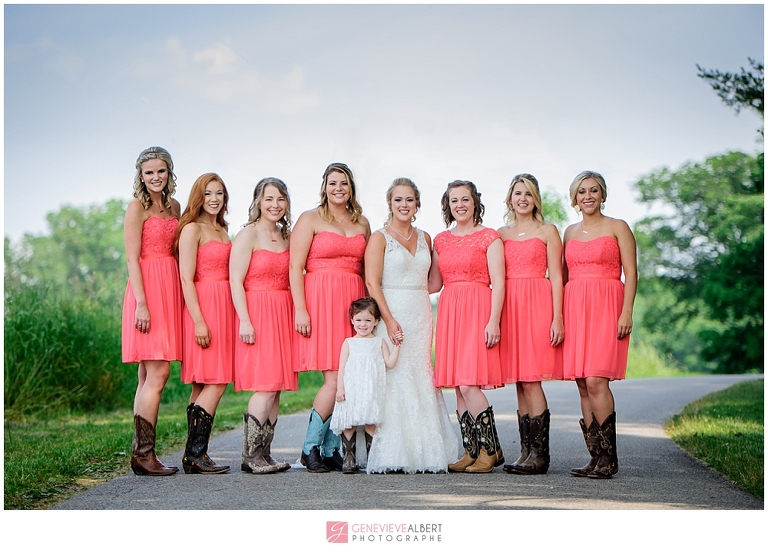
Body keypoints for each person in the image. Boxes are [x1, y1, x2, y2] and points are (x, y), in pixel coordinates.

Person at [364, 178, 460, 474]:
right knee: (394, 373)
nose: (404, 205)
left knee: (419, 371)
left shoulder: (426, 238)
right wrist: (390, 319)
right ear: (389, 204)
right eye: (398, 200)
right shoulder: (380, 238)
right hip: (391, 310)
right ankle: (393, 450)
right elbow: (371, 282)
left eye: (409, 200)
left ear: (417, 204)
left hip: (420, 312)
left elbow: (433, 281)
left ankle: (425, 449)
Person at [290, 162, 371, 472]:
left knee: (348, 378)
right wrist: (301, 309)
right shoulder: (310, 219)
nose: (339, 188)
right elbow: (295, 267)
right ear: (324, 186)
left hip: (352, 306)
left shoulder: (361, 222)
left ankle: (331, 448)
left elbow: (366, 268)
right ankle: (309, 448)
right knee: (334, 378)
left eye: (344, 183)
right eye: (333, 182)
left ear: (351, 188)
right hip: (320, 300)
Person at [562, 170, 637, 479]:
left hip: (608, 305)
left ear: (603, 195)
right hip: (575, 307)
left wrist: (626, 312)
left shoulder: (618, 227)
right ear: (575, 198)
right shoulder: (569, 232)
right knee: (582, 382)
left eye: (594, 190)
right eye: (582, 191)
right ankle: (595, 456)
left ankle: (609, 457)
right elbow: (564, 277)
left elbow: (631, 273)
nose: (588, 196)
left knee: (596, 379)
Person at [428, 180, 506, 473]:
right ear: (447, 206)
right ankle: (470, 451)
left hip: (478, 308)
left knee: (468, 383)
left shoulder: (489, 237)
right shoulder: (441, 240)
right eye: (453, 200)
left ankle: (491, 448)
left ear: (475, 203)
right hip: (450, 310)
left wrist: (493, 320)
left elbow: (498, 282)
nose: (459, 205)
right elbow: (435, 283)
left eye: (465, 199)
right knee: (458, 388)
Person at [497, 173, 564, 475]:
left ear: (535, 198)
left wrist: (557, 317)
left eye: (528, 193)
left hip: (537, 303)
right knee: (519, 379)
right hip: (510, 305)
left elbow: (558, 276)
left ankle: (540, 455)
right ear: (510, 198)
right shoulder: (501, 234)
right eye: (517, 193)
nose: (522, 198)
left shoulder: (548, 231)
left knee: (533, 377)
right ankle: (526, 452)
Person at [230, 178, 298, 474]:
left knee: (277, 388)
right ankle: (249, 456)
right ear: (258, 201)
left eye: (281, 199)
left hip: (282, 312)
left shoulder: (286, 236)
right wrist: (244, 319)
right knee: (266, 384)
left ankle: (265, 454)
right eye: (269, 199)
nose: (275, 205)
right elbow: (235, 280)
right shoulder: (248, 235)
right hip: (257, 312)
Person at [122, 146, 183, 476]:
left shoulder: (174, 206)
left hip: (169, 287)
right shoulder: (137, 208)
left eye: (161, 171)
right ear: (140, 176)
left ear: (169, 172)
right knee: (158, 373)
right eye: (149, 173)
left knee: (147, 374)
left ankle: (140, 454)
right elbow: (132, 258)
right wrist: (142, 304)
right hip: (147, 291)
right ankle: (145, 454)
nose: (155, 177)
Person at [175, 172, 234, 474]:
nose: (214, 199)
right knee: (217, 379)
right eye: (208, 193)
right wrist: (198, 320)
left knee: (203, 381)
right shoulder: (192, 229)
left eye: (219, 193)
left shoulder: (223, 230)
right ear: (199, 196)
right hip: (204, 307)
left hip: (225, 306)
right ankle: (195, 453)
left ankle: (195, 454)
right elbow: (186, 277)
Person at [331, 297, 402, 474]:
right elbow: (342, 368)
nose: (363, 324)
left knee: (371, 422)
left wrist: (398, 346)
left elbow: (390, 363)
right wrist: (340, 388)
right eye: (359, 320)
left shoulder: (379, 342)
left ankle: (373, 457)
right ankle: (349, 456)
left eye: (368, 320)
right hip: (352, 389)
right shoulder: (348, 343)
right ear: (352, 320)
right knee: (349, 422)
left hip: (371, 390)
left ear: (376, 321)